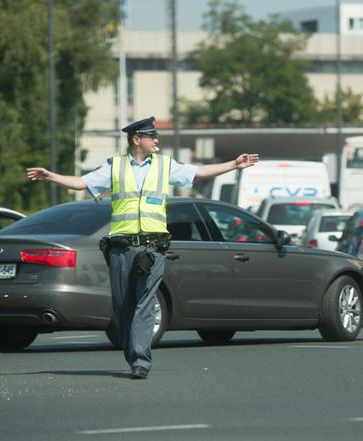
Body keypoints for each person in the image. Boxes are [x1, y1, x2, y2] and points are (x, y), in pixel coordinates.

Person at [26, 116, 259, 379]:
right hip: (121, 248)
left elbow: (199, 172)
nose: (156, 140)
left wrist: (234, 165)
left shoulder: (164, 165)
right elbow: (82, 183)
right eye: (152, 136)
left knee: (145, 304)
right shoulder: (114, 167)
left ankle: (140, 361)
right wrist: (50, 176)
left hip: (152, 248)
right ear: (137, 139)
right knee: (123, 305)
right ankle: (133, 350)